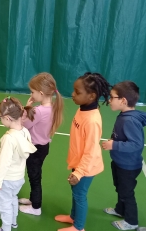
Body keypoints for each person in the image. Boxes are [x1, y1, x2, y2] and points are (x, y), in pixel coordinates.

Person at [55, 72, 111, 231]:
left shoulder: (92, 120)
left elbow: (91, 151)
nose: (73, 94)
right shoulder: (83, 109)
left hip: (86, 167)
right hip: (79, 163)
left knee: (80, 195)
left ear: (92, 96)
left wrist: (79, 172)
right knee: (75, 191)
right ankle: (73, 217)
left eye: (77, 92)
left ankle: (79, 227)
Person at [102, 81, 146, 230]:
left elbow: (136, 144)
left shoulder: (129, 120)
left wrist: (114, 145)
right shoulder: (128, 114)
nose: (109, 100)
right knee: (120, 188)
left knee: (127, 193)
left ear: (123, 101)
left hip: (128, 166)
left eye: (112, 97)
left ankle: (131, 222)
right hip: (120, 162)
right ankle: (120, 210)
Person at [18, 72, 64, 215]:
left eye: (32, 92)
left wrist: (26, 108)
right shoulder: (52, 107)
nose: (31, 94)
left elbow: (23, 125)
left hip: (35, 149)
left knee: (34, 177)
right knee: (35, 175)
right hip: (43, 147)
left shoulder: (39, 111)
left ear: (41, 93)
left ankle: (36, 207)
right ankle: (33, 200)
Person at [0, 96, 37, 231]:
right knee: (12, 199)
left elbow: (4, 163)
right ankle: (13, 223)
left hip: (7, 179)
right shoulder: (24, 131)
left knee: (4, 205)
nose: (0, 120)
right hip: (18, 178)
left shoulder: (8, 139)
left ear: (8, 118)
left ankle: (5, 228)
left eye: (0, 118)